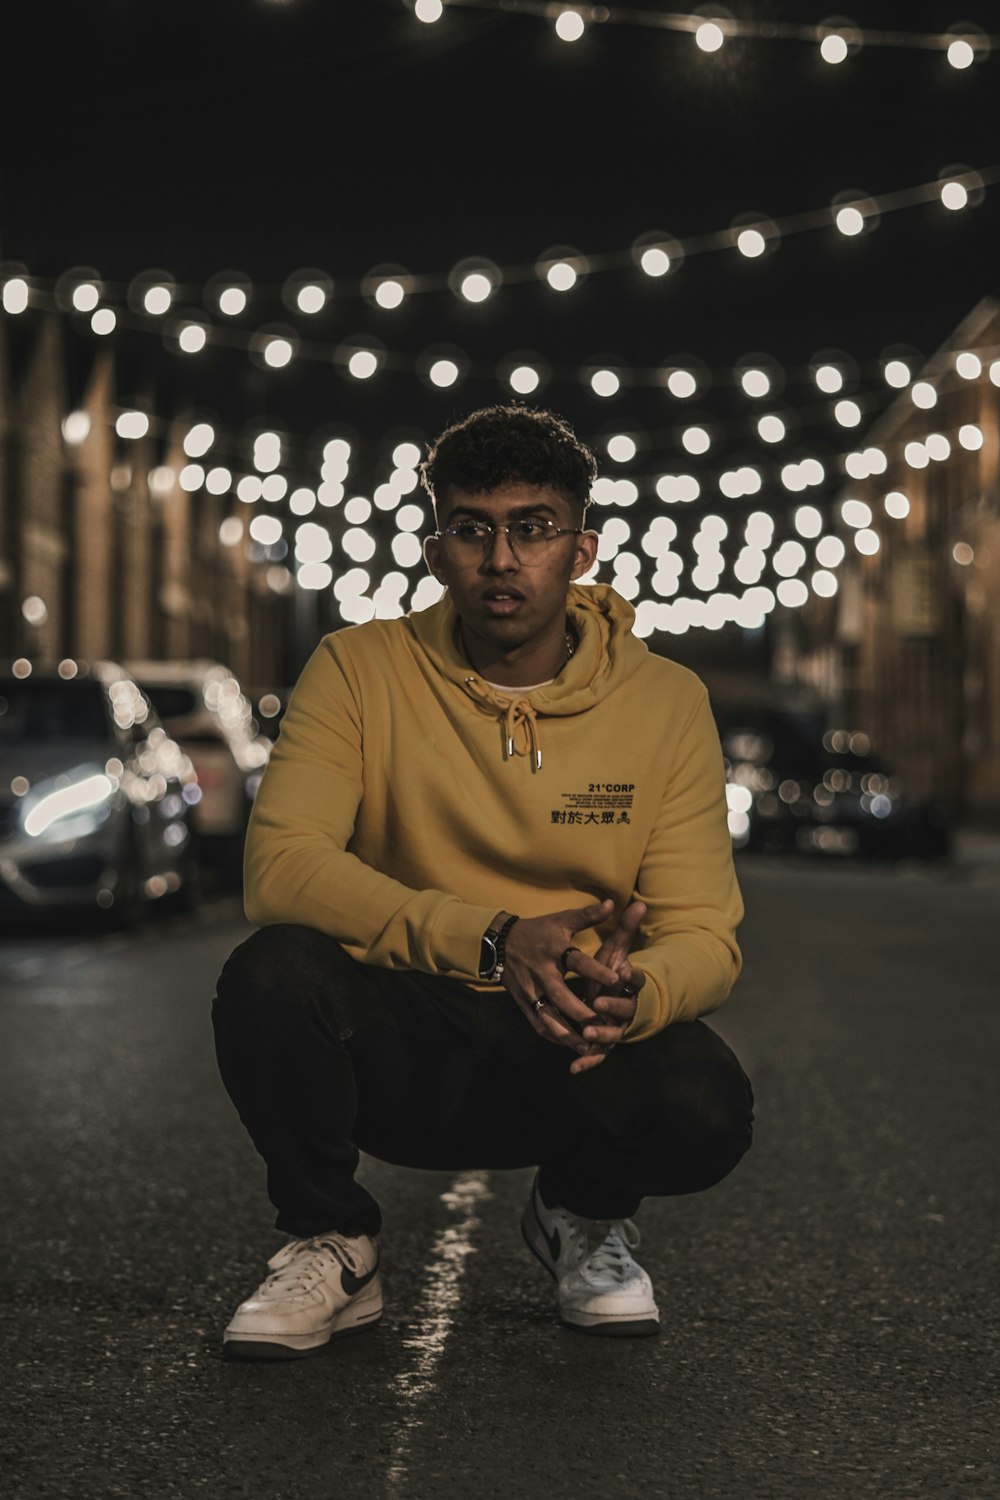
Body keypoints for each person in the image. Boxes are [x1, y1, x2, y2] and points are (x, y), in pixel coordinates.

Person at [212, 403, 753, 1359]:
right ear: (435, 549)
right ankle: (333, 1240)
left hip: (567, 1040)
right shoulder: (358, 667)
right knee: (270, 972)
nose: (501, 560)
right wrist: (494, 937)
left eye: (532, 530)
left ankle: (580, 1213)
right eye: (472, 529)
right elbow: (281, 867)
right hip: (407, 1036)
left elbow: (707, 930)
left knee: (706, 1099)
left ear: (580, 550)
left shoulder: (667, 700)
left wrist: (636, 995)